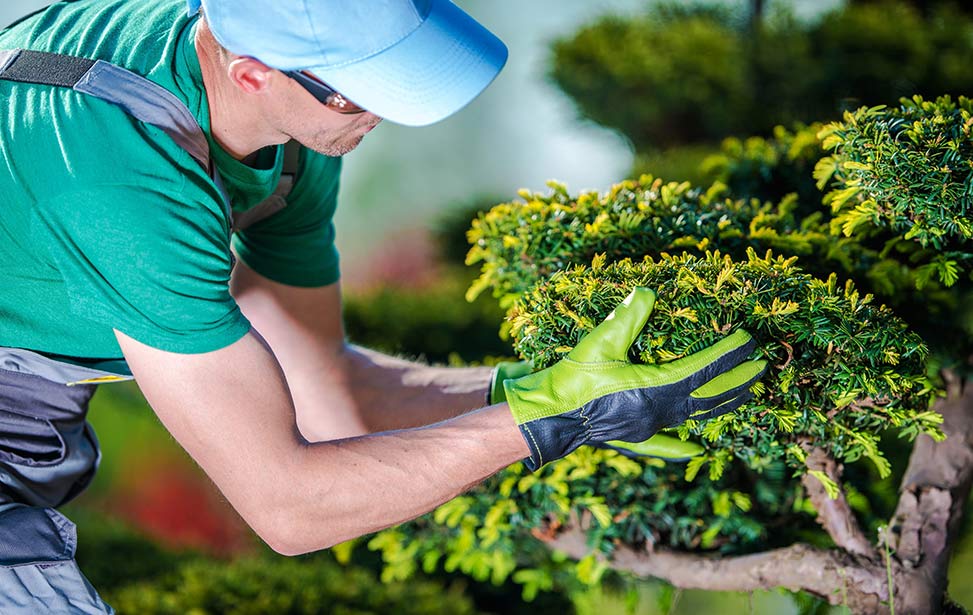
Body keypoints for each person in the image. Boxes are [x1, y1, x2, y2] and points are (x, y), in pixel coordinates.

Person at [0, 0, 766, 611]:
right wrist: (553, 423)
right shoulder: (121, 183)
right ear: (253, 70)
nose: (378, 115)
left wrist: (536, 389)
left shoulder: (294, 137)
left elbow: (334, 396)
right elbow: (288, 507)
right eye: (357, 90)